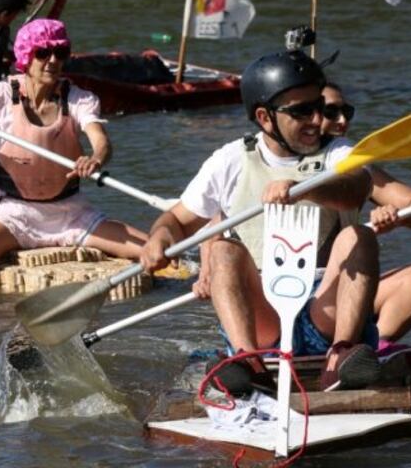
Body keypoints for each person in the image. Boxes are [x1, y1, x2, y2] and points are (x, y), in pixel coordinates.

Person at [142, 49, 381, 394]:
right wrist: (160, 238)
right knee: (222, 250)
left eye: (319, 106)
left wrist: (304, 188)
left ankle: (341, 357)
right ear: (265, 118)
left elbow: (356, 188)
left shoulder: (338, 151)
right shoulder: (230, 160)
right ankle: (248, 362)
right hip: (266, 311)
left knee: (359, 236)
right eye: (302, 111)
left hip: (325, 310)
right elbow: (176, 220)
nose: (317, 120)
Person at [0, 19, 156, 289]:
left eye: (60, 53)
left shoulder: (78, 98)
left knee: (156, 251)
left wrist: (95, 159)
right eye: (43, 53)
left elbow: (101, 142)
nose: (53, 61)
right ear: (26, 57)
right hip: (14, 212)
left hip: (71, 214)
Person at [321, 82, 411, 350]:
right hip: (280, 292)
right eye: (331, 112)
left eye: (347, 112)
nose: (342, 121)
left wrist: (398, 216)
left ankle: (374, 348)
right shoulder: (255, 160)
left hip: (342, 289)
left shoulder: (354, 168)